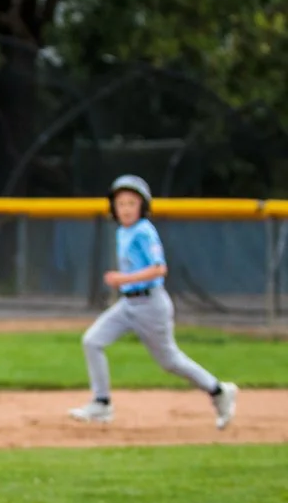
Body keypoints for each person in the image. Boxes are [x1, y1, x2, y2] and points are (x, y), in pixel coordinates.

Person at [68, 175, 238, 428]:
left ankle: (218, 391)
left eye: (131, 203)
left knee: (170, 361)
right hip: (129, 304)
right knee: (92, 341)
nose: (125, 208)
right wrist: (125, 282)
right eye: (120, 203)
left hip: (151, 305)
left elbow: (159, 269)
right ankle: (102, 403)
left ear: (142, 207)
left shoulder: (144, 231)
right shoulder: (123, 231)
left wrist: (124, 278)